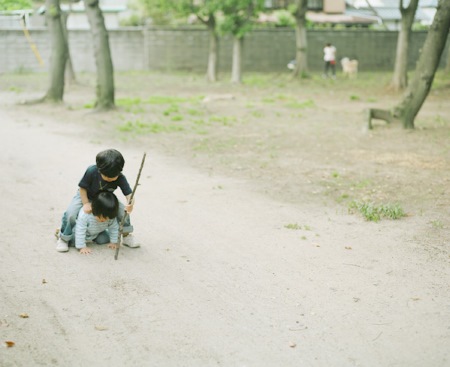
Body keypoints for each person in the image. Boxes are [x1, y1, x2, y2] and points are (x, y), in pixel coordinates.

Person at [56, 149, 139, 252]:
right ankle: (64, 238)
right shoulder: (92, 171)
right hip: (86, 195)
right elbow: (82, 188)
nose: (109, 179)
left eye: (113, 177)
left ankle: (126, 235)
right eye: (106, 176)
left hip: (104, 198)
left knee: (123, 211)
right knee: (71, 213)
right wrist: (86, 203)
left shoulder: (120, 178)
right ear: (99, 170)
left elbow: (129, 194)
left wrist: (130, 203)